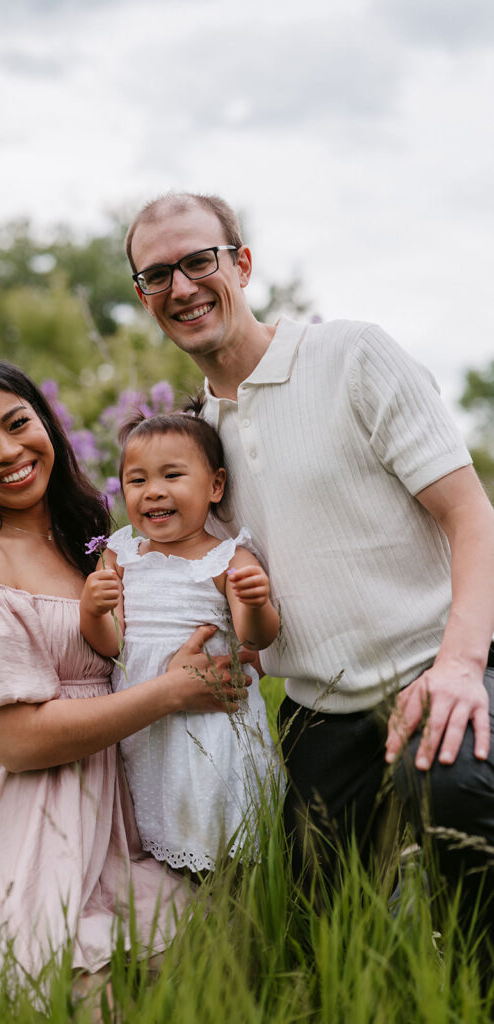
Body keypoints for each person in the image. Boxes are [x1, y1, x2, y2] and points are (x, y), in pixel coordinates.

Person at [124, 192, 494, 930]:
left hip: (437, 665)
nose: (183, 287)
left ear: (243, 263)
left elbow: (473, 518)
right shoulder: (196, 442)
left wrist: (459, 667)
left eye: (200, 261)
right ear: (144, 297)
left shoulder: (352, 355)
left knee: (453, 793)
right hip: (319, 711)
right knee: (309, 923)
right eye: (157, 275)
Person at [0, 356, 250, 989]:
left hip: (126, 794)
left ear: (47, 425)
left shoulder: (91, 536)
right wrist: (172, 691)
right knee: (70, 978)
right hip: (32, 813)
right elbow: (19, 742)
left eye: (18, 423)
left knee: (199, 966)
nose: (6, 450)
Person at [80, 409, 281, 872]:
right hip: (144, 721)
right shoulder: (121, 553)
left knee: (217, 824)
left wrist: (254, 604)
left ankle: (236, 904)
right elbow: (111, 644)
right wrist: (92, 609)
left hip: (210, 724)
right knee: (154, 824)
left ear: (215, 486)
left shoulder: (228, 556)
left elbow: (258, 639)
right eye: (136, 481)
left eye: (172, 475)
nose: (153, 491)